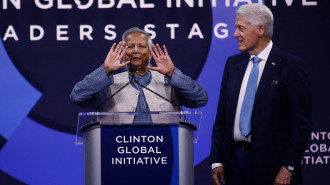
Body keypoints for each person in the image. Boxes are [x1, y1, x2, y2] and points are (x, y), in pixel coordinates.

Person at [210, 3, 311, 185]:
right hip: (234, 162)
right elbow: (222, 118)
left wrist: (288, 167)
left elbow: (301, 124)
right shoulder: (233, 64)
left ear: (260, 29)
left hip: (273, 167)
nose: (235, 34)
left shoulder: (290, 66)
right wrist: (217, 160)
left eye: (240, 28)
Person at [70, 27, 208, 123]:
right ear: (123, 52)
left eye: (141, 46)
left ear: (149, 53)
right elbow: (77, 96)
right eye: (130, 46)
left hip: (164, 156)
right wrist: (105, 70)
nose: (136, 50)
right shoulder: (108, 83)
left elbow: (200, 99)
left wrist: (173, 74)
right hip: (117, 156)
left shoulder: (169, 81)